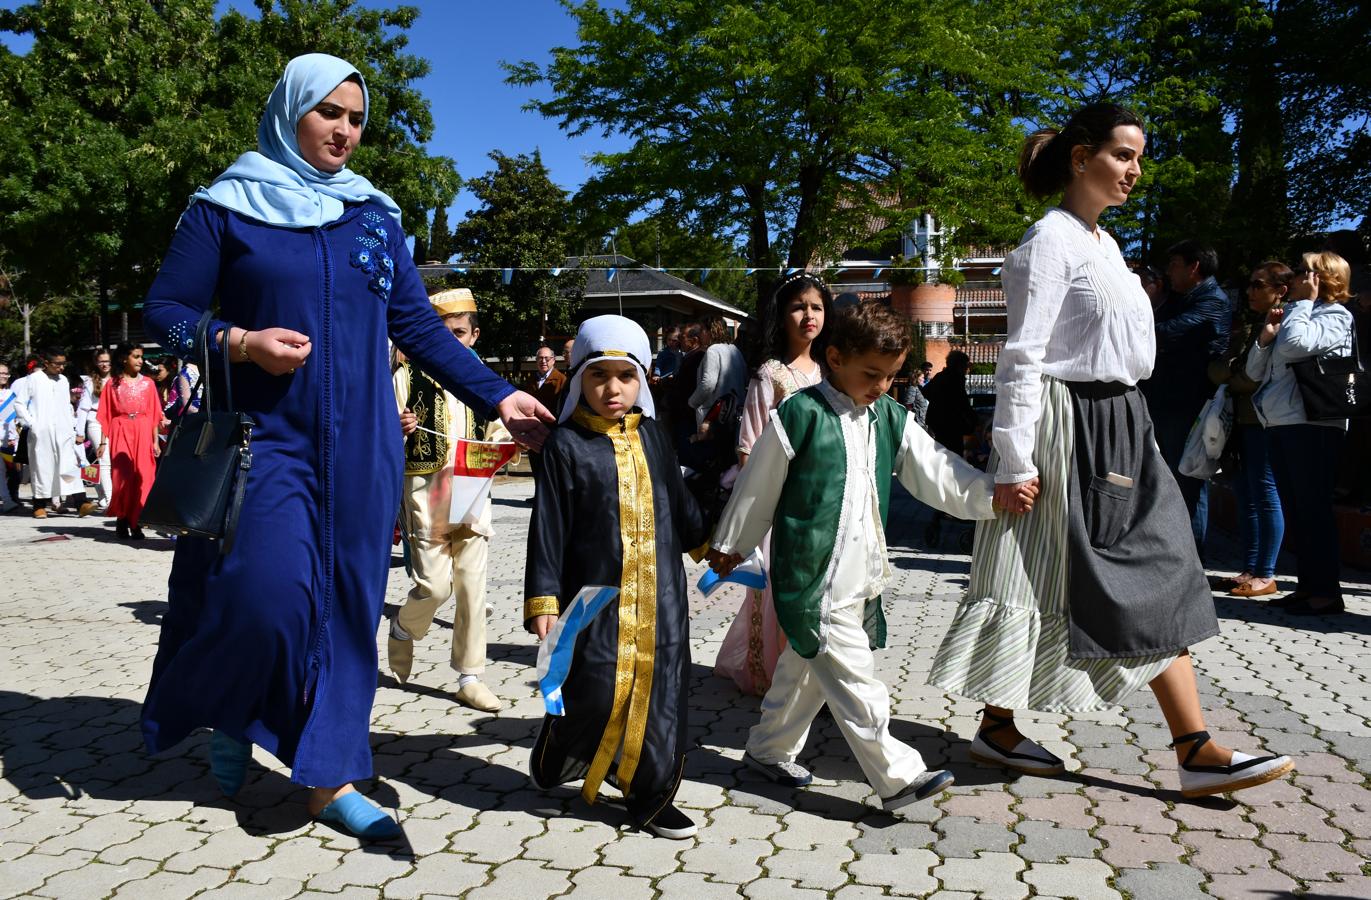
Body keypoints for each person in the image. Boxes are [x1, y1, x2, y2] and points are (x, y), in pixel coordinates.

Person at [138, 53, 553, 841]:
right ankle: (236, 715)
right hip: (266, 442)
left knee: (346, 609)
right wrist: (236, 340)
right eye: (329, 111)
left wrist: (497, 392)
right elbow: (165, 311)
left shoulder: (373, 214)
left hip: (364, 445)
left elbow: (419, 326)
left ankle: (329, 778)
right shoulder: (225, 206)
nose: (344, 130)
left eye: (356, 117)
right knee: (260, 598)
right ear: (291, 109)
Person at [929, 103, 1295, 799]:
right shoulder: (1048, 243)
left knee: (1099, 569)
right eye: (1123, 155)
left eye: (1138, 159)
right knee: (1114, 570)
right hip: (1073, 426)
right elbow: (1022, 356)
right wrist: (1012, 460)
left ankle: (1001, 728)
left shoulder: (1104, 244)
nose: (1134, 171)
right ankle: (1192, 747)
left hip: (1120, 420)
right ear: (1080, 158)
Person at [707, 301, 1003, 811]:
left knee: (803, 668)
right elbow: (759, 485)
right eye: (871, 374)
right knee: (856, 680)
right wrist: (731, 544)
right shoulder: (799, 415)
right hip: (811, 576)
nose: (882, 386)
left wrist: (991, 494)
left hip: (860, 576)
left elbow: (936, 469)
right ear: (835, 358)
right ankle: (898, 777)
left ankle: (767, 749)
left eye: (890, 376)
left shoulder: (888, 417)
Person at [524, 315, 708, 839]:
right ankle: (562, 742)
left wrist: (712, 545)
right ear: (579, 375)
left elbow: (678, 498)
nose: (612, 388)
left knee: (660, 697)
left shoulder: (654, 435)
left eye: (625, 376)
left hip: (661, 597)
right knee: (596, 687)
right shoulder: (565, 446)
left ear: (642, 380)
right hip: (595, 596)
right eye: (599, 375)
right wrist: (544, 600)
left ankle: (649, 795)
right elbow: (549, 526)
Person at [388, 288, 510, 711]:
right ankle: (405, 628)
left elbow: (499, 430)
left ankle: (471, 674)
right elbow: (379, 429)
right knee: (435, 587)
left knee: (473, 588)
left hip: (473, 487)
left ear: (474, 336)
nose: (451, 342)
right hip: (427, 491)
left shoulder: (487, 381)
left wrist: (506, 444)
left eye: (459, 333)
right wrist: (396, 426)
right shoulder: (405, 377)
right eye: (442, 334)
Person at [714, 273, 829, 696]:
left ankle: (808, 674)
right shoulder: (771, 374)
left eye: (816, 307)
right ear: (782, 316)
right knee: (775, 591)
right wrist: (763, 507)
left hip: (821, 504)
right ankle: (769, 674)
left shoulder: (830, 371)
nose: (808, 316)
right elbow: (749, 447)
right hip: (781, 505)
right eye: (799, 307)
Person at [1246, 251, 1356, 616]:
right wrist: (1265, 338)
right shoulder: (1297, 314)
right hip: (1281, 421)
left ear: (1323, 279)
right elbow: (1255, 370)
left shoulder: (1336, 316)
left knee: (1314, 511)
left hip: (1314, 425)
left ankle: (1326, 592)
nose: (1294, 278)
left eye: (1303, 273)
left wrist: (1305, 306)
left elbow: (1296, 348)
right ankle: (1309, 587)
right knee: (1298, 510)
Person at [1141, 239, 1233, 556]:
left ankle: (1190, 556)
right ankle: (1176, 551)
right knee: (1172, 478)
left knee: (1188, 479)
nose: (1170, 271)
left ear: (1194, 266)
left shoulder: (1212, 301)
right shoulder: (1184, 298)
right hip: (1169, 401)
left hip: (1188, 404)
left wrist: (1133, 328)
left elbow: (1171, 331)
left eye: (1175, 264)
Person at [1208, 261, 1291, 598]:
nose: (1250, 291)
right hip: (1240, 421)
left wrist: (1234, 374)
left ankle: (1266, 573)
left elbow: (1252, 378)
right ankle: (1251, 568)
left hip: (1263, 421)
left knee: (1265, 494)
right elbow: (1216, 370)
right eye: (1251, 284)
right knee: (1246, 495)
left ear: (1280, 290)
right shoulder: (1254, 324)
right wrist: (1233, 373)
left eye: (1259, 285)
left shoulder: (1282, 325)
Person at [10, 348, 96, 520]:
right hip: (41, 431)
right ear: (47, 363)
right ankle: (39, 505)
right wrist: (32, 423)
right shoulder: (34, 379)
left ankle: (81, 503)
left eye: (64, 364)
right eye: (57, 364)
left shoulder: (63, 380)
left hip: (63, 431)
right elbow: (19, 403)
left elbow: (66, 406)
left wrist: (72, 428)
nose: (61, 367)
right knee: (42, 467)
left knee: (69, 465)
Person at [97, 343, 161, 540]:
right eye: (136, 356)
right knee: (123, 477)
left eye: (141, 356)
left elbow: (153, 414)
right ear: (124, 358)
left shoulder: (149, 384)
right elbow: (106, 414)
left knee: (142, 477)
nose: (140, 360)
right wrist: (102, 442)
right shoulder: (112, 384)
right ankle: (122, 519)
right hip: (120, 429)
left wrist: (155, 442)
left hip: (142, 429)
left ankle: (136, 522)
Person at [688, 316, 747, 429]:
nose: (700, 335)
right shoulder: (735, 349)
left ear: (710, 331)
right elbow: (745, 378)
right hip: (734, 413)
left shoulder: (713, 351)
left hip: (714, 416)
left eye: (702, 330)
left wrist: (692, 402)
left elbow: (708, 383)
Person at [74, 349, 114, 509]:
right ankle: (111, 499)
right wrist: (80, 432)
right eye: (101, 361)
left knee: (110, 460)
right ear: (96, 363)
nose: (105, 364)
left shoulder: (118, 379)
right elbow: (83, 409)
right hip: (95, 421)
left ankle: (102, 494)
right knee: (104, 460)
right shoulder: (90, 382)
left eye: (107, 361)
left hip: (115, 423)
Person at [0, 361, 20, 513]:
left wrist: (13, 436)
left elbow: (13, 419)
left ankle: (10, 498)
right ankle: (7, 501)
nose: (4, 376)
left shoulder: (11, 394)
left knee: (12, 471)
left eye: (6, 373)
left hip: (8, 439)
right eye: (1, 373)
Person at [524, 344, 567, 412]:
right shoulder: (531, 379)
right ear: (536, 360)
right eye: (540, 358)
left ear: (553, 360)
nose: (543, 361)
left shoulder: (561, 379)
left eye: (547, 358)